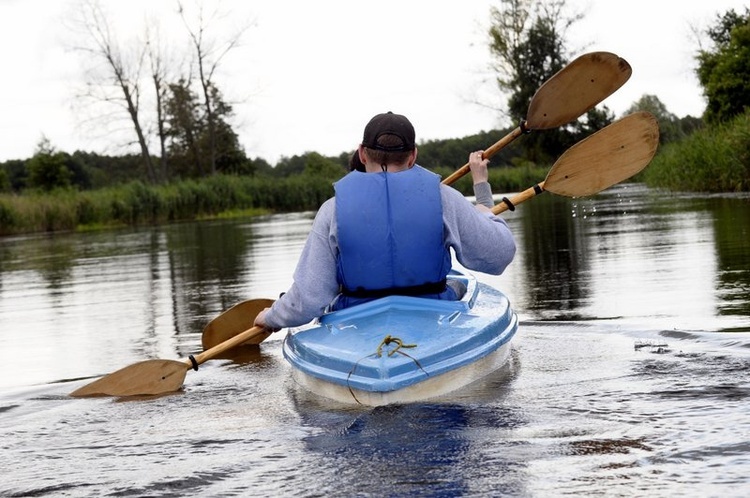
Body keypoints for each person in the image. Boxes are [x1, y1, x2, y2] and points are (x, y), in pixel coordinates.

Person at [254, 112, 515, 330]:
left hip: (356, 321)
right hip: (433, 314)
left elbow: (309, 301)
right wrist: (483, 197)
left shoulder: (331, 210)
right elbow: (497, 255)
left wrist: (271, 318)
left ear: (363, 154)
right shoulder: (444, 198)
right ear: (413, 155)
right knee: (456, 285)